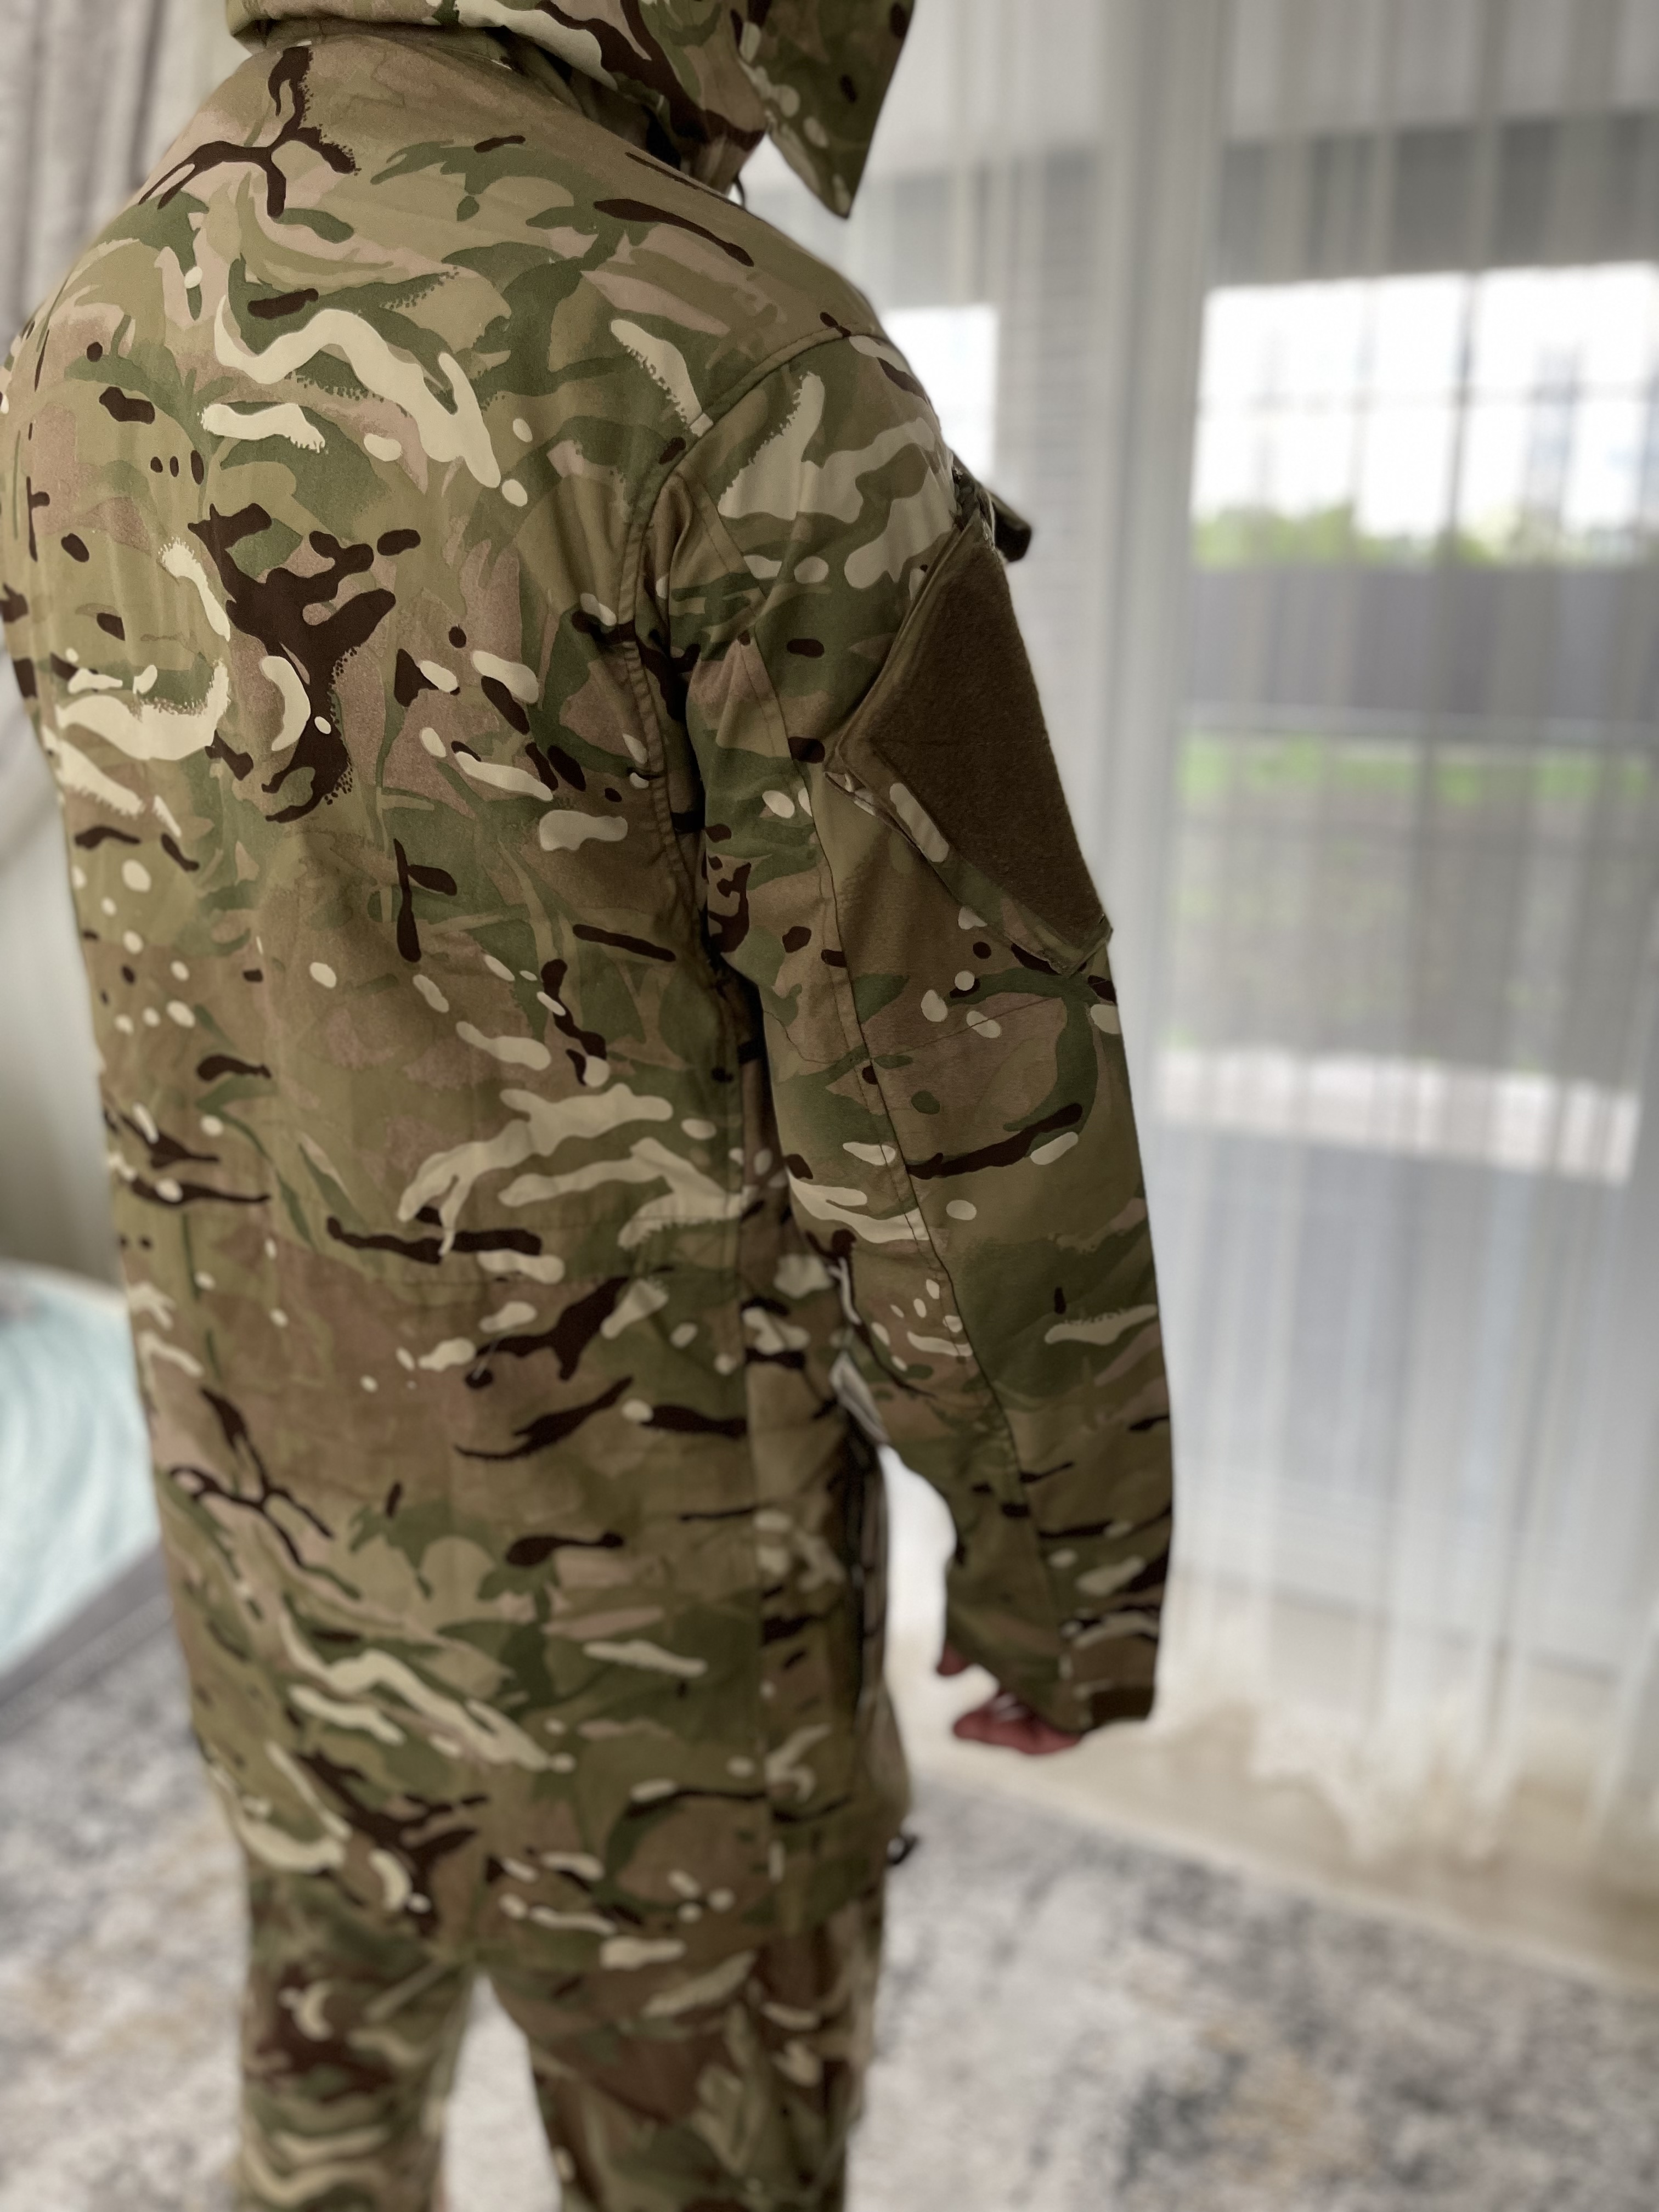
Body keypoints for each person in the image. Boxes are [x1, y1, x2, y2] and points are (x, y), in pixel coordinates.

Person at [0, 4, 1173, 2205]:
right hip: (656, 1649)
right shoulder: (734, 366)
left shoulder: (94, 313)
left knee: (319, 2105)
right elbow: (953, 1106)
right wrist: (1065, 1578)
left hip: (274, 1555)